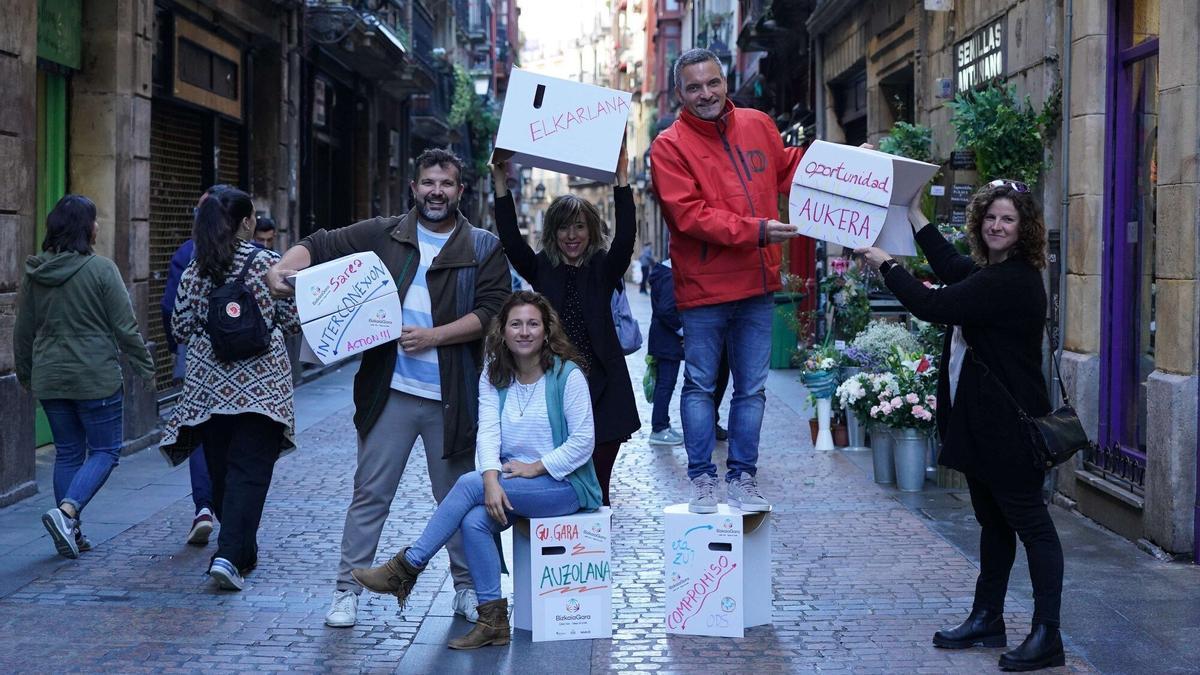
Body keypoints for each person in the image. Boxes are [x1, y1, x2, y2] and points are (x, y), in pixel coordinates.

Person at [265, 148, 511, 627]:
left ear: (460, 191)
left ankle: (467, 589)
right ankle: (346, 591)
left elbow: (492, 313)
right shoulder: (385, 234)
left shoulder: (482, 247)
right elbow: (319, 244)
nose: (435, 191)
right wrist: (280, 268)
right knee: (370, 494)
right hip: (389, 393)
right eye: (427, 183)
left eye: (446, 183)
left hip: (452, 397)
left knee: (459, 497)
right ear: (414, 188)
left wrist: (433, 337)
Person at [855, 180, 1065, 671]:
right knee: (994, 524)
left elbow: (933, 305)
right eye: (991, 217)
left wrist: (885, 263)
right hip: (983, 428)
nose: (996, 225)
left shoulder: (1012, 280)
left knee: (1033, 528)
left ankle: (1047, 634)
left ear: (1024, 229)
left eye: (1007, 219)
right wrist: (913, 212)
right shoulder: (993, 272)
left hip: (1011, 431)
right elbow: (952, 269)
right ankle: (987, 617)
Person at [352, 291, 600, 650]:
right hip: (512, 483)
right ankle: (493, 622)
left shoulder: (566, 376)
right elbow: (488, 433)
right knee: (473, 521)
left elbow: (584, 441)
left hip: (563, 486)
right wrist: (491, 480)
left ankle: (408, 566)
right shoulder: (495, 374)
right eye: (516, 324)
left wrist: (535, 467)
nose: (524, 332)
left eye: (533, 324)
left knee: (468, 483)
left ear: (547, 331)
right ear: (503, 331)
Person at [649, 48, 805, 513]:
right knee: (699, 385)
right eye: (694, 87)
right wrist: (757, 231)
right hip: (704, 289)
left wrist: (855, 167)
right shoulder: (668, 146)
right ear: (680, 93)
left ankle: (742, 476)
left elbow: (793, 168)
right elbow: (689, 216)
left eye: (712, 83)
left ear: (725, 82)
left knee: (752, 389)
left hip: (757, 286)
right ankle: (701, 478)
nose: (705, 94)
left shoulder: (758, 124)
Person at [160, 186, 300, 591]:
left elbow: (180, 327)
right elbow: (292, 322)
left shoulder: (193, 270)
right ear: (244, 222)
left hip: (208, 391)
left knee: (222, 475)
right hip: (263, 389)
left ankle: (240, 549)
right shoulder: (268, 265)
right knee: (249, 474)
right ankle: (229, 556)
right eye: (253, 216)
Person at [491, 142, 640, 506]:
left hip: (604, 388)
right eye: (563, 228)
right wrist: (499, 181)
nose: (571, 236)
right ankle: (566, 550)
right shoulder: (542, 268)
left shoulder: (604, 268)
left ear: (590, 231)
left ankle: (594, 550)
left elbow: (625, 238)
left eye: (579, 227)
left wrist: (621, 180)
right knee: (564, 484)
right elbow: (510, 240)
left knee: (597, 487)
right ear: (552, 233)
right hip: (556, 387)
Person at [15, 194, 155, 559]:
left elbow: (23, 330)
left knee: (68, 453)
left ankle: (70, 533)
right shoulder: (102, 270)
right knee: (106, 450)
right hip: (95, 377)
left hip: (51, 376)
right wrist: (146, 367)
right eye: (95, 221)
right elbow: (125, 328)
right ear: (85, 229)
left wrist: (26, 373)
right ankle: (67, 513)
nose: (98, 227)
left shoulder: (36, 272)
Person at [161, 187, 235, 547]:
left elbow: (171, 310)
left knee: (201, 434)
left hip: (200, 360)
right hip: (247, 367)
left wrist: (180, 347)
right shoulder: (257, 257)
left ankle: (204, 507)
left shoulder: (187, 256)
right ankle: (232, 511)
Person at [647, 258, 683, 445]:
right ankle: (659, 428)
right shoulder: (670, 275)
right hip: (667, 339)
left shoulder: (663, 272)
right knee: (666, 383)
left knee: (665, 383)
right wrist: (682, 330)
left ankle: (663, 424)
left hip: (662, 338)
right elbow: (666, 309)